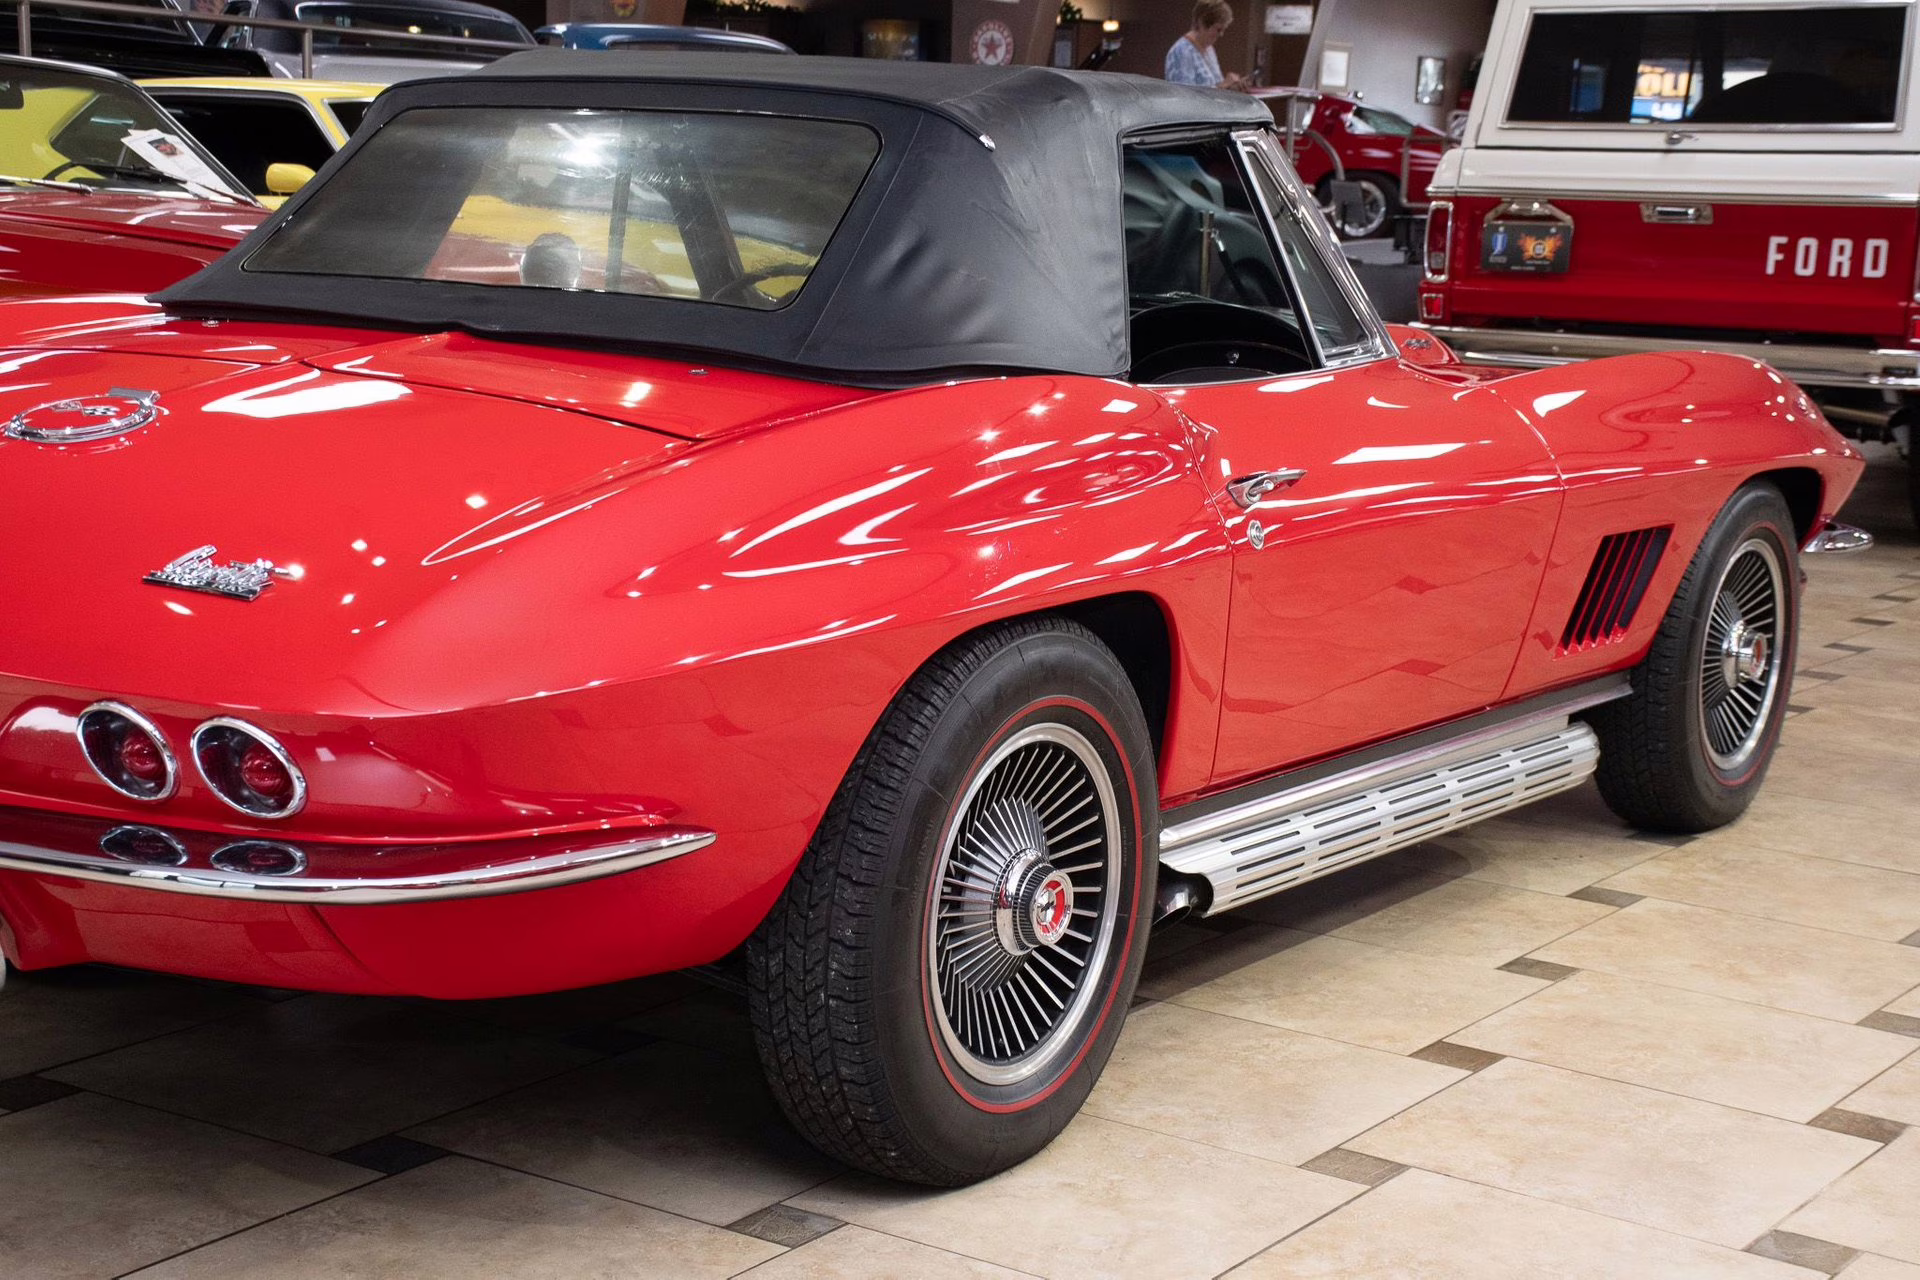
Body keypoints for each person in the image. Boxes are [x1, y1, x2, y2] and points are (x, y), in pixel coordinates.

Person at [1165, 1, 1247, 91]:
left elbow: (1215, 86)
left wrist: (1231, 87)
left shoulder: (1209, 50)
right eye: (1218, 29)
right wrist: (1223, 85)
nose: (1221, 34)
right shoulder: (1182, 52)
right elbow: (1185, 96)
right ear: (1202, 23)